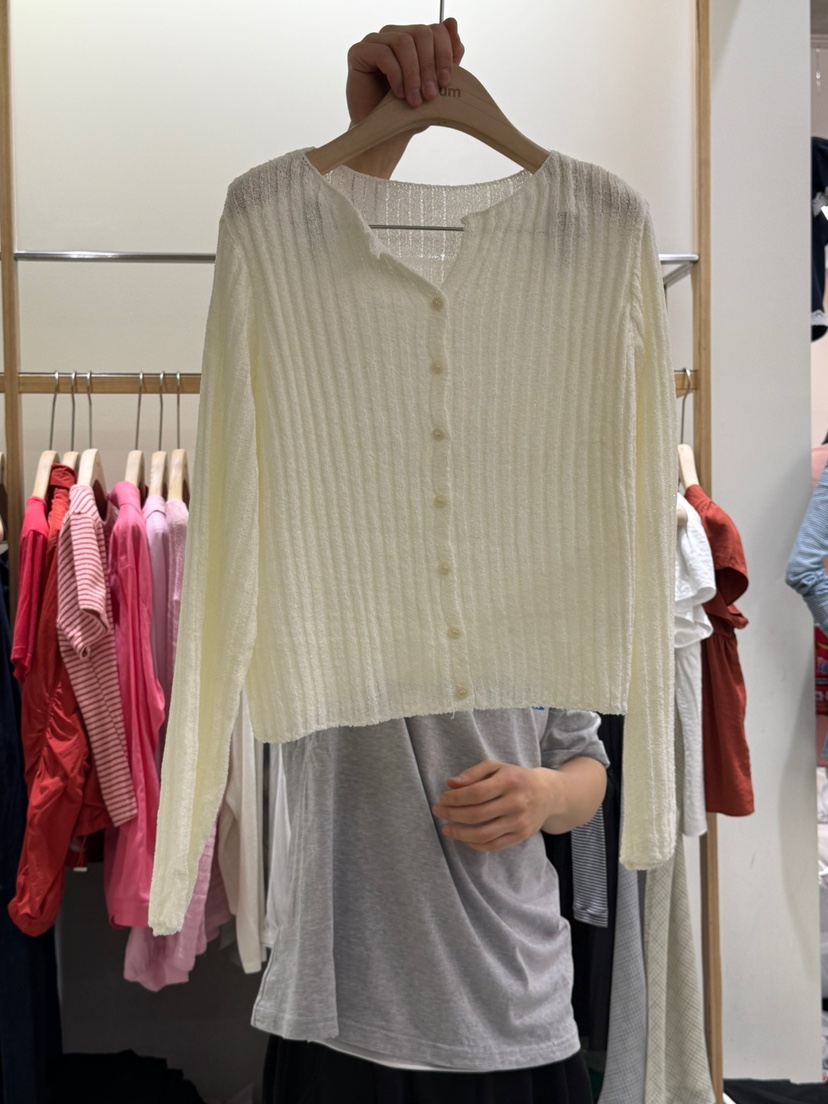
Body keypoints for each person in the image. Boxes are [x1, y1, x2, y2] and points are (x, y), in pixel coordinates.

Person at [255, 20, 610, 1103]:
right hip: (341, 1009)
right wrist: (374, 143)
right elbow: (312, 324)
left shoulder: (550, 534)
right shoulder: (324, 518)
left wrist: (544, 794)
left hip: (516, 1010)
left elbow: (588, 764)